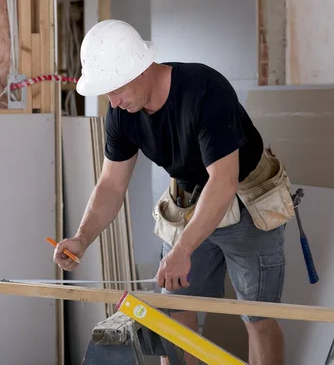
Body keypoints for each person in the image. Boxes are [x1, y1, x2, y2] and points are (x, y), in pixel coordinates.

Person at [53, 19, 295, 365]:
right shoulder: (122, 112)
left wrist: (182, 249)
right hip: (188, 198)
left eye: (116, 88)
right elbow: (111, 184)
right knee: (175, 315)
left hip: (246, 196)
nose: (113, 100)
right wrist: (81, 238)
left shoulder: (204, 90)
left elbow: (223, 182)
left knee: (257, 316)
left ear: (140, 69)